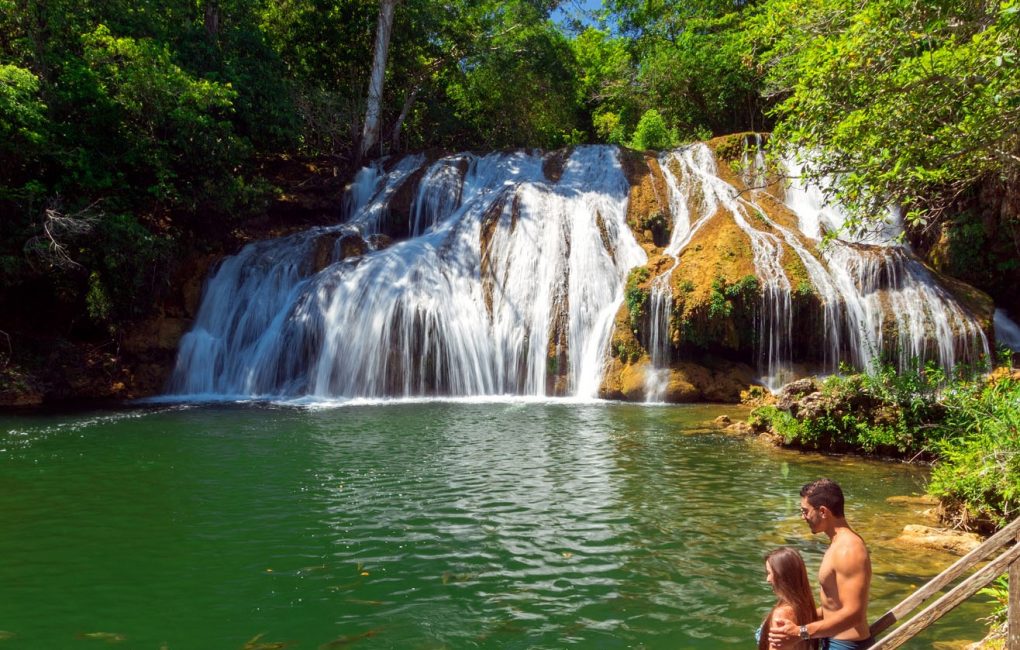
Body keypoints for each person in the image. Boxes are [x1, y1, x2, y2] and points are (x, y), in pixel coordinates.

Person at [769, 478, 874, 650]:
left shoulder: (848, 549)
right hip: (834, 641)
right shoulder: (838, 544)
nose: (803, 517)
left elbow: (854, 614)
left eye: (805, 511)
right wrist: (797, 619)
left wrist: (801, 632)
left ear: (823, 511)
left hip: (845, 646)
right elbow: (832, 607)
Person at [757, 547, 818, 650]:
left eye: (769, 573)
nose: (768, 579)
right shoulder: (806, 607)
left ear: (781, 575)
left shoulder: (782, 614)